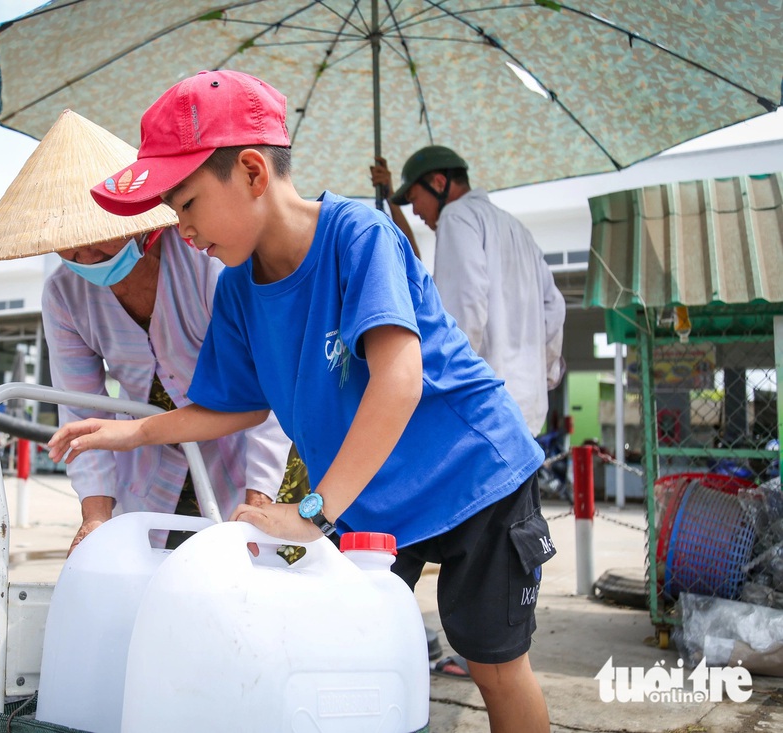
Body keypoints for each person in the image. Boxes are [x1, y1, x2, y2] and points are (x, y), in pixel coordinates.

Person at [50, 71, 555, 732]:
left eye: (188, 205)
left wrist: (314, 509)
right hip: (373, 496)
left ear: (253, 171)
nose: (184, 230)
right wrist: (133, 433)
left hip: (473, 475)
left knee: (492, 662)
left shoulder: (357, 236)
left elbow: (398, 381)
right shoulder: (236, 289)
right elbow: (236, 405)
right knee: (346, 648)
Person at [0, 109, 305, 556]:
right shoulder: (64, 296)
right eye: (70, 243)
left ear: (137, 223)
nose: (85, 255)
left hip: (256, 452)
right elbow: (80, 413)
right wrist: (95, 516)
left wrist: (258, 501)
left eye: (100, 238)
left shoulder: (208, 261)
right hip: (153, 465)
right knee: (158, 581)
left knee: (265, 581)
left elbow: (271, 395)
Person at [378, 147, 566, 436]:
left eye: (415, 199)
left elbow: (463, 312)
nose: (415, 211)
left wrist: (445, 389)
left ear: (439, 183)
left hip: (483, 408)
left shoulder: (456, 217)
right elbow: (554, 310)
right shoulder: (517, 229)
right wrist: (544, 374)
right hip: (528, 409)